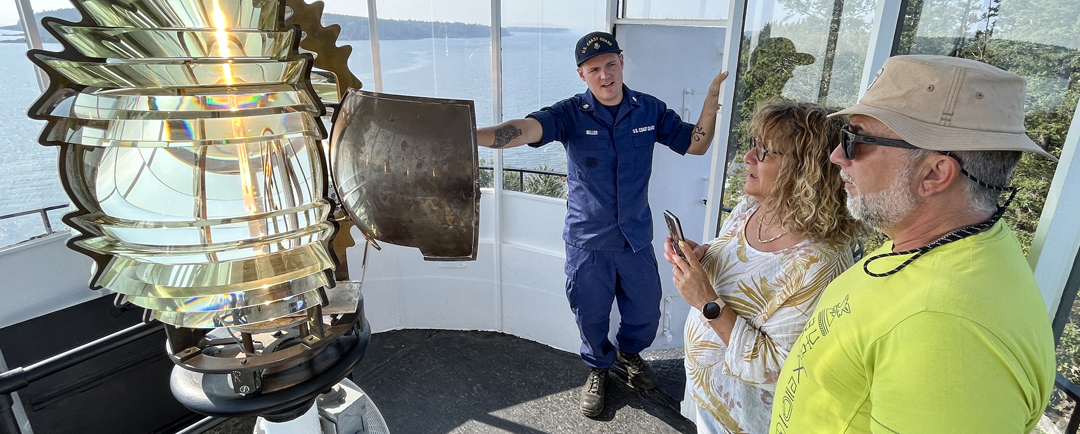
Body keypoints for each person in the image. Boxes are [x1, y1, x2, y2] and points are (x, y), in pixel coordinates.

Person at [768, 55, 1056, 433]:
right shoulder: (935, 243)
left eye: (855, 140)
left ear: (934, 174)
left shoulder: (947, 330)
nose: (836, 156)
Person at [476, 30, 728, 418]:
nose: (605, 75)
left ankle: (629, 355)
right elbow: (524, 130)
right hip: (588, 241)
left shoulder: (649, 110)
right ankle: (598, 368)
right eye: (594, 69)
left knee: (645, 313)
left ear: (622, 62)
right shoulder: (569, 114)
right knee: (590, 314)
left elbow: (695, 144)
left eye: (610, 64)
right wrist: (468, 135)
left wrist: (711, 103)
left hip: (635, 240)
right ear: (582, 75)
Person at [666, 100, 866, 433]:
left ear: (805, 170)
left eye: (765, 152)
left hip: (747, 423)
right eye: (752, 146)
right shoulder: (751, 208)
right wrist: (702, 255)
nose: (747, 158)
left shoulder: (820, 264)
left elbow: (780, 369)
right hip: (710, 401)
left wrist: (706, 302)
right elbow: (739, 262)